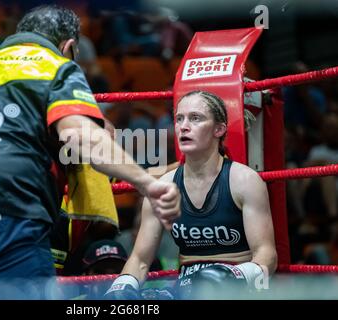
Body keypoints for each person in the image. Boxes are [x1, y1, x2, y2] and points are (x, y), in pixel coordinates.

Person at [0, 5, 180, 299]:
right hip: (8, 215)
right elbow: (80, 135)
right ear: (69, 47)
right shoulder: (53, 65)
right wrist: (146, 183)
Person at [105, 90, 278, 299]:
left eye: (195, 118)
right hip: (185, 291)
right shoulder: (163, 187)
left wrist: (234, 275)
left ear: (219, 129)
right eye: (179, 119)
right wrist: (123, 285)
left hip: (238, 290)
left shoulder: (244, 181)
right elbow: (140, 259)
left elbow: (267, 257)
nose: (183, 126)